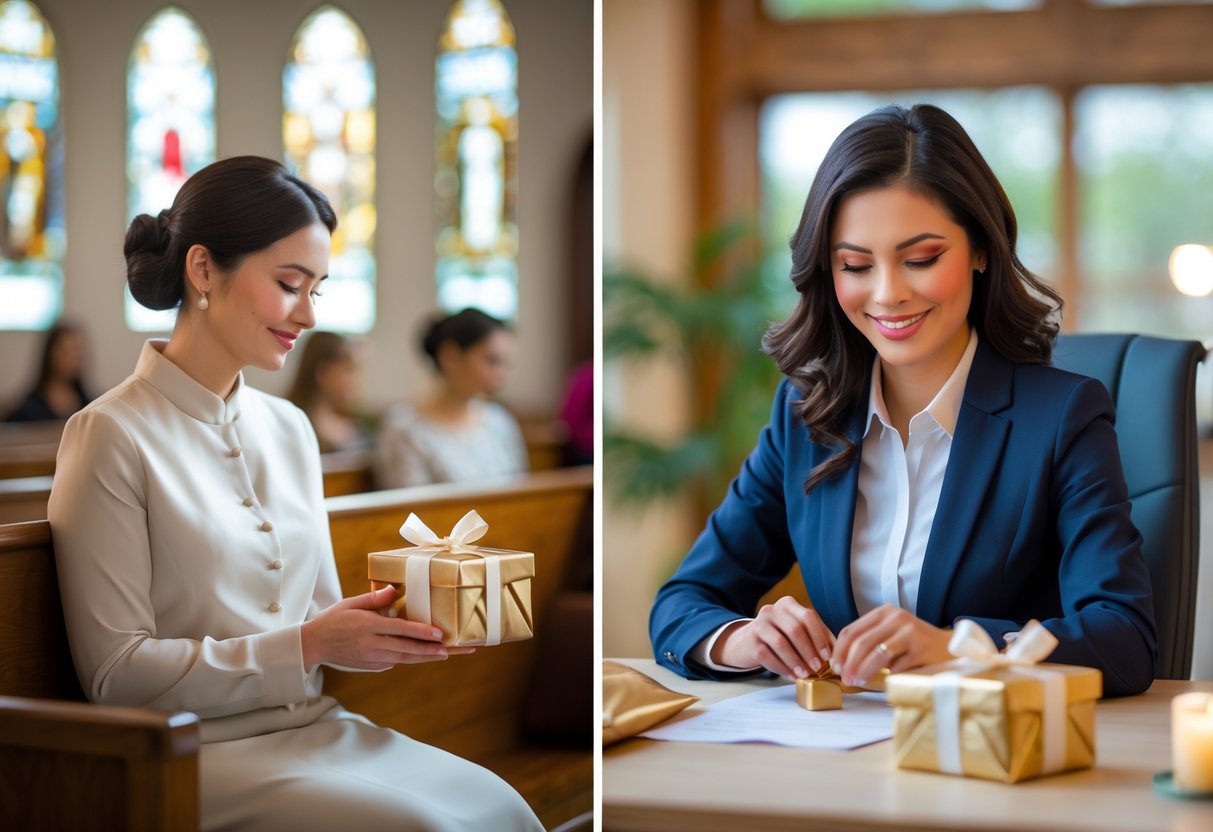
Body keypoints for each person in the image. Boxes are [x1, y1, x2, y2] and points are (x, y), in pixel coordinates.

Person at [47, 156, 543, 831]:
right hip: (184, 751)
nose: (308, 314)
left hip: (313, 724)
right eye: (289, 284)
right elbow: (115, 675)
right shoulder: (108, 433)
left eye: (319, 289)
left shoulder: (290, 429)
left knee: (502, 805)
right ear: (201, 271)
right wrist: (307, 645)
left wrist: (392, 629)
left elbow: (320, 618)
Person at [649, 104, 1157, 698]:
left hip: (993, 763)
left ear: (980, 249)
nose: (888, 294)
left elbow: (1124, 640)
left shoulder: (1062, 417)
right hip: (839, 757)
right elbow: (682, 603)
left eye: (920, 259)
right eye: (856, 265)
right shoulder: (804, 416)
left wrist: (957, 648)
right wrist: (745, 640)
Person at [377, 308, 528, 488]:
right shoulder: (405, 428)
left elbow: (520, 493)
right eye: (491, 361)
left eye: (505, 363)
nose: (501, 374)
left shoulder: (500, 421)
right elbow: (409, 510)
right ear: (450, 357)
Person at [286, 330, 374, 454]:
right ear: (322, 373)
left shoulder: (356, 431)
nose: (357, 381)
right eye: (349, 370)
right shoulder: (291, 426)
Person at [6, 320, 93, 421]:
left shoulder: (90, 406)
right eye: (66, 351)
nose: (74, 357)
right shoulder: (29, 409)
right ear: (51, 355)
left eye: (78, 351)